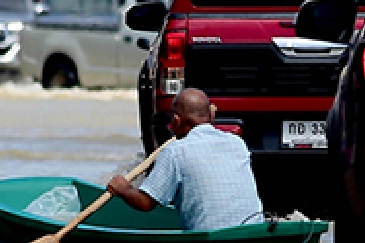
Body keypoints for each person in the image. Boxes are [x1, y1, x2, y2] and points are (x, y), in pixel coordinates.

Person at [105, 87, 263, 232]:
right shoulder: (237, 143)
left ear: (177, 121)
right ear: (211, 116)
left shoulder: (175, 152)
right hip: (253, 233)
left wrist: (123, 189)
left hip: (212, 238)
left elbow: (145, 203)